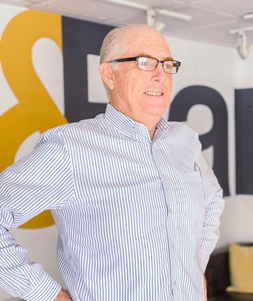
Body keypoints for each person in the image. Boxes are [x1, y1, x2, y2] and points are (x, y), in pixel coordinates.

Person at [0, 24, 224, 301]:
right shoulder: (70, 148)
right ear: (109, 74)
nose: (160, 75)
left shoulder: (185, 140)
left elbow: (213, 200)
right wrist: (47, 295)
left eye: (167, 65)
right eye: (144, 63)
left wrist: (194, 265)